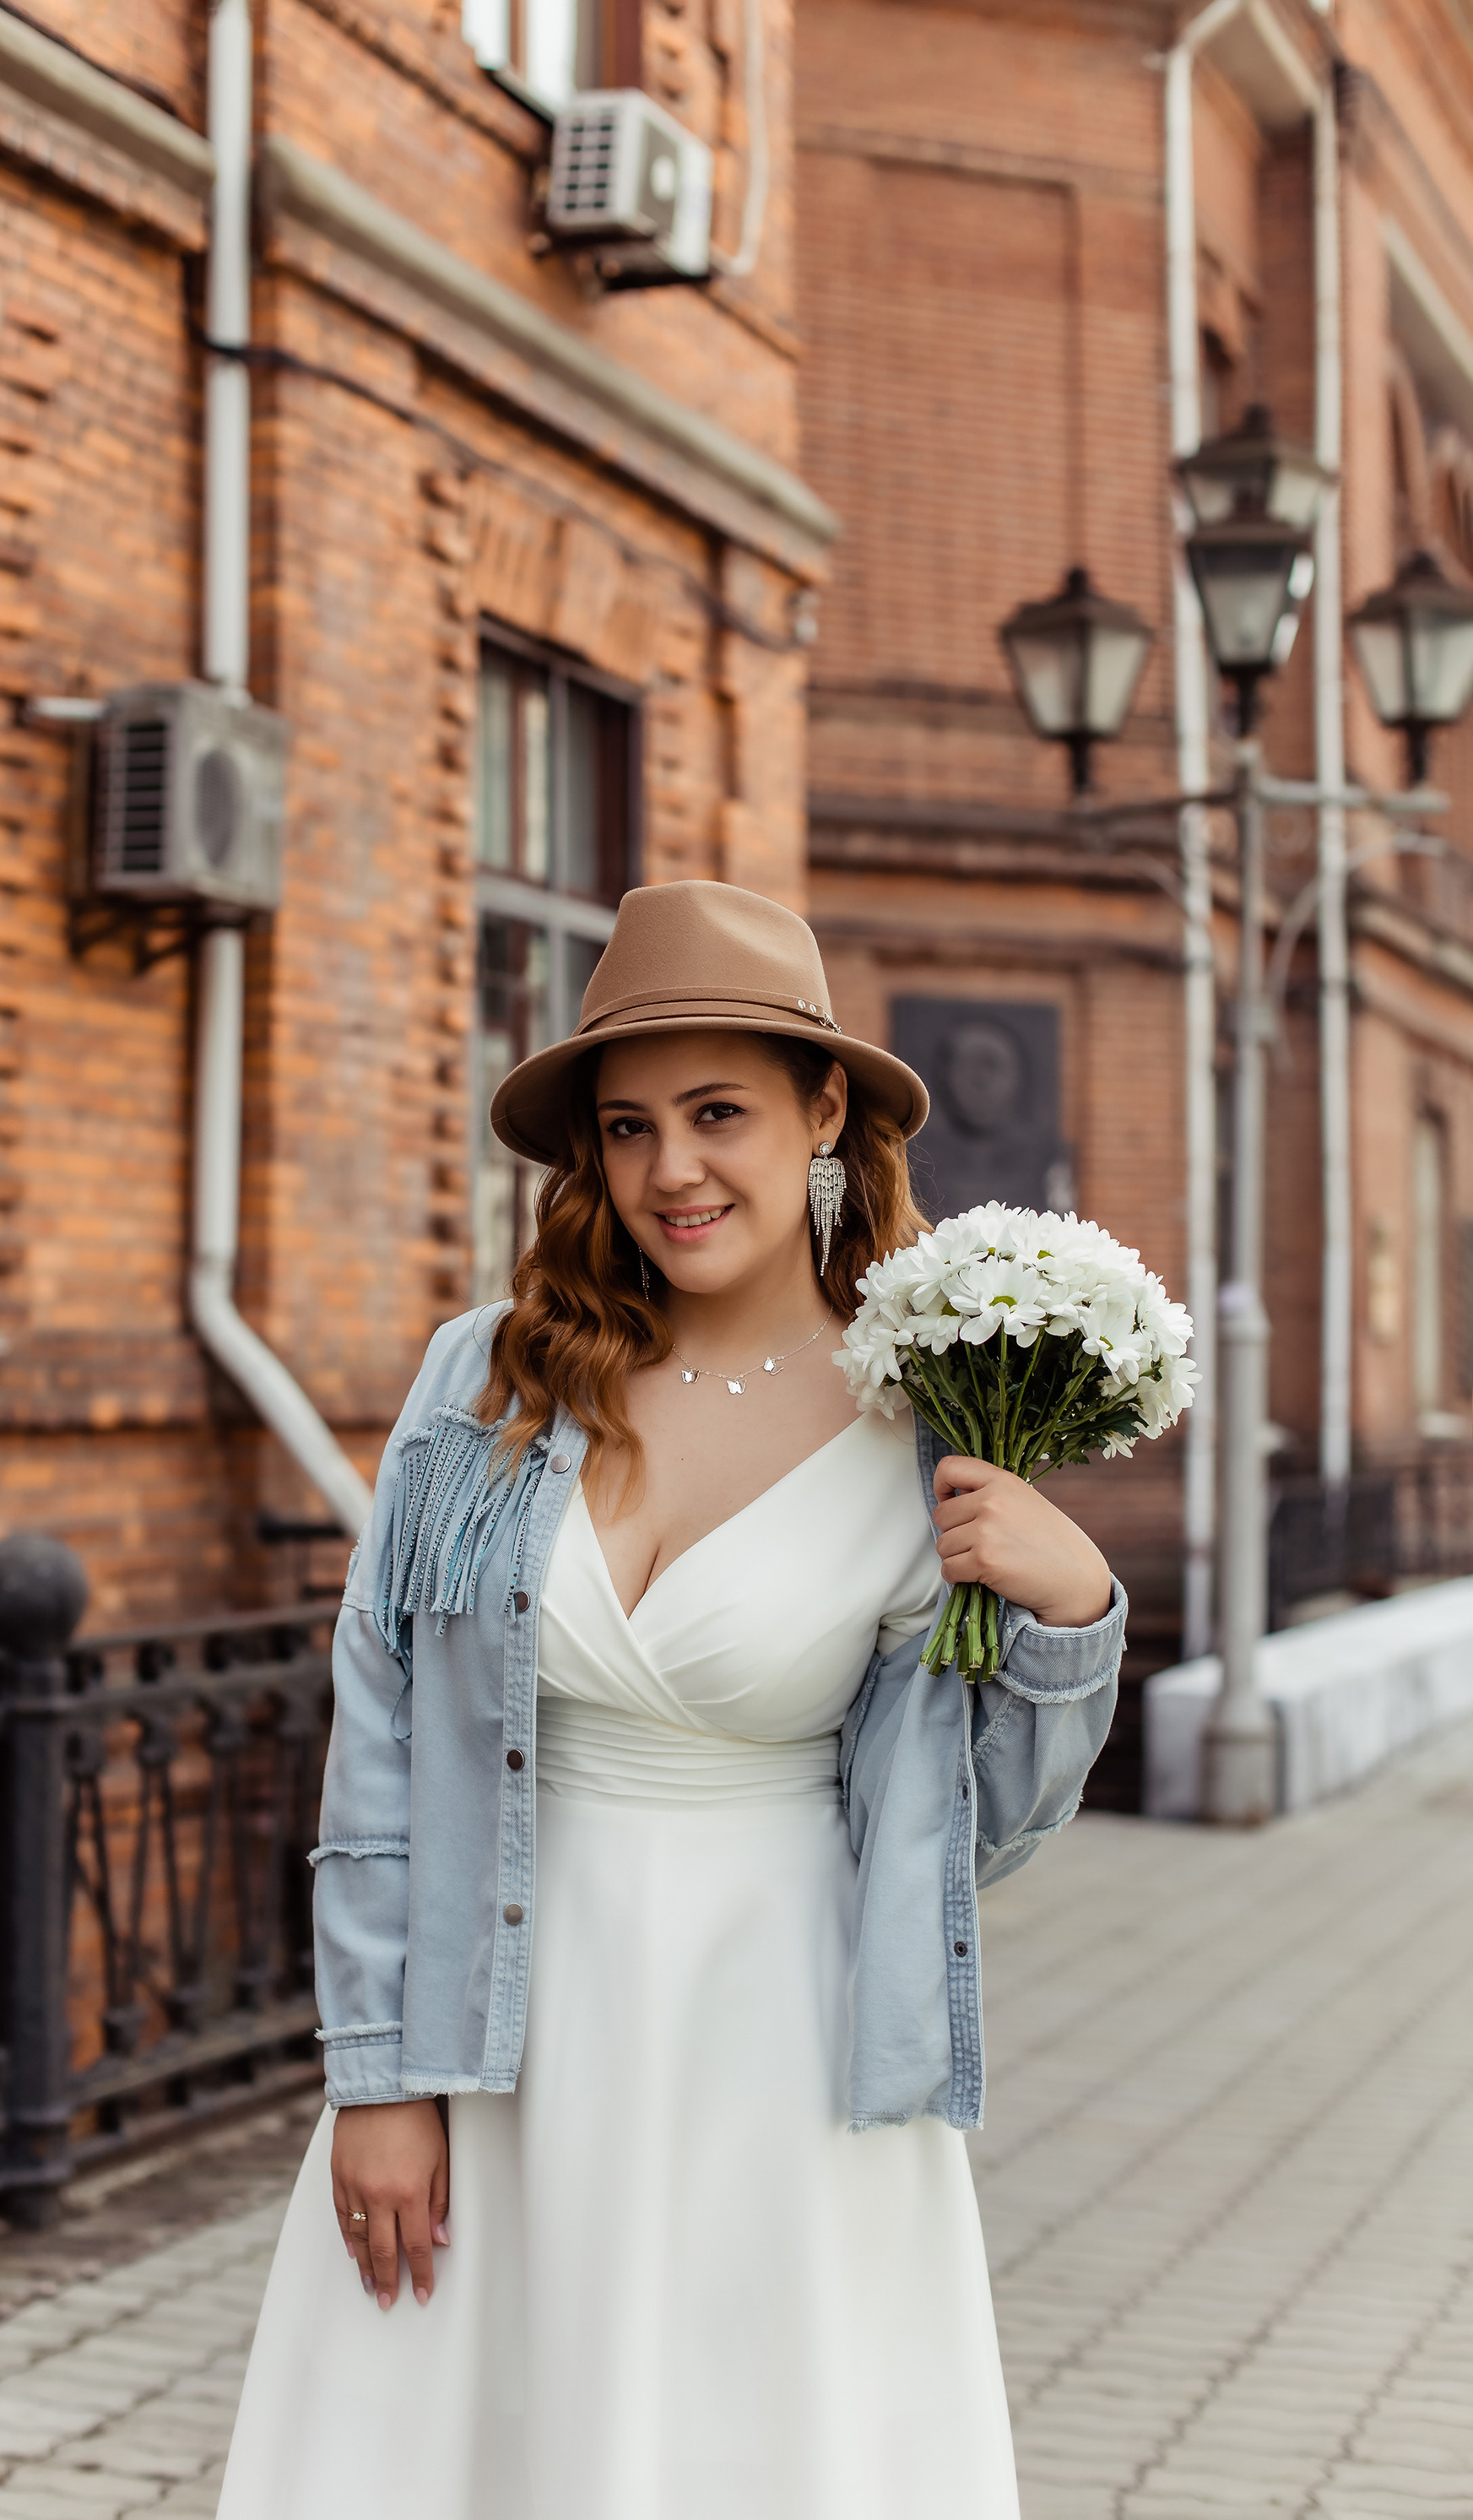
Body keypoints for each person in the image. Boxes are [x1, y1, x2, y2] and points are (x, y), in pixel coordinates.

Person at [217, 881, 1124, 2520]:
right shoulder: (481, 1377)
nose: (668, 1170)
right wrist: (375, 2074)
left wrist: (1065, 1604)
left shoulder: (927, 1418)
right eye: (626, 1126)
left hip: (779, 2043)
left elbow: (972, 1831)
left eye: (717, 1112)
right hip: (499, 2027)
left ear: (823, 1106)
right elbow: (386, 1730)